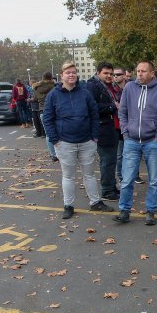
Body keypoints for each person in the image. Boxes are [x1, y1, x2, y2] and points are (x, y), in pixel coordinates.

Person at [42, 61, 114, 219]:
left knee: (89, 174)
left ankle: (96, 202)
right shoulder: (53, 95)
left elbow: (94, 115)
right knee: (68, 176)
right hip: (64, 142)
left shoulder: (85, 93)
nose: (71, 75)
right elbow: (47, 119)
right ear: (62, 76)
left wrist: (94, 136)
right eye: (68, 72)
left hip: (87, 141)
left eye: (73, 72)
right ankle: (68, 206)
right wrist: (55, 140)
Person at [114, 60, 157, 226]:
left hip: (152, 142)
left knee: (154, 180)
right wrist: (125, 132)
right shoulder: (129, 88)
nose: (139, 73)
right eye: (138, 70)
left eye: (143, 71)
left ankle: (151, 212)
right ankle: (124, 211)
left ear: (152, 73)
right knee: (127, 179)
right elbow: (123, 112)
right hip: (131, 141)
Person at [86, 61, 121, 201]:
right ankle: (107, 190)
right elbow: (92, 107)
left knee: (111, 160)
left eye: (111, 74)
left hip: (112, 127)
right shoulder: (92, 86)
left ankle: (111, 187)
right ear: (98, 72)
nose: (109, 76)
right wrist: (112, 107)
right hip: (103, 128)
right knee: (107, 161)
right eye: (105, 73)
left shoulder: (111, 86)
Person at [33, 72, 58, 160]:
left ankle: (53, 155)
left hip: (42, 111)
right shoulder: (54, 87)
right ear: (51, 78)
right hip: (54, 111)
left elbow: (34, 98)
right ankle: (59, 153)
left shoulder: (37, 87)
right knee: (59, 131)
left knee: (48, 134)